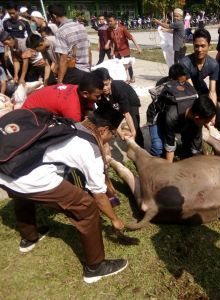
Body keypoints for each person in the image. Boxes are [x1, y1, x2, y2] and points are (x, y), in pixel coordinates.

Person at [0, 104, 128, 283]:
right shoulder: (90, 151)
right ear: (103, 129)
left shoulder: (72, 125)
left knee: (23, 196)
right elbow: (99, 197)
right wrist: (115, 219)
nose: (112, 138)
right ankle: (95, 267)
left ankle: (29, 238)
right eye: (113, 134)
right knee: (87, 207)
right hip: (27, 178)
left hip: (6, 171)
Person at [179, 28, 220, 131]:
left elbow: (212, 92)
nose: (199, 49)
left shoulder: (213, 64)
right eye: (196, 46)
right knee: (192, 121)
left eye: (203, 46)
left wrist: (212, 113)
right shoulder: (184, 63)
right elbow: (191, 91)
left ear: (209, 46)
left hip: (201, 89)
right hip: (186, 91)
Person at [93, 67, 144, 147]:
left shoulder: (118, 89)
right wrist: (119, 132)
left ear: (110, 80)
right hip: (113, 99)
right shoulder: (99, 94)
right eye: (102, 86)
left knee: (135, 125)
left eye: (106, 84)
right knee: (112, 114)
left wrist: (133, 132)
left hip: (130, 99)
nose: (105, 88)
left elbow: (126, 114)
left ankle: (140, 147)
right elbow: (110, 117)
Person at [22, 72, 104, 122]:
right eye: (97, 96)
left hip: (34, 102)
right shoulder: (72, 108)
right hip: (29, 115)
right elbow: (78, 131)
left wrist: (89, 111)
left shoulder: (78, 88)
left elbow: (88, 105)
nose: (100, 98)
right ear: (85, 94)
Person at [48, 3, 91, 84]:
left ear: (54, 16)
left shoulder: (61, 31)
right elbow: (89, 51)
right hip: (86, 71)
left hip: (74, 72)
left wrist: (60, 81)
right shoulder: (81, 27)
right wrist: (90, 70)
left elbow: (63, 58)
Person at [106, 14, 141, 83]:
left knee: (128, 64)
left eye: (111, 21)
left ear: (115, 21)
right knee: (119, 65)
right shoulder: (109, 30)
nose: (109, 23)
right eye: (108, 21)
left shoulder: (122, 28)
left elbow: (131, 38)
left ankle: (131, 77)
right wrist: (111, 51)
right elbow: (111, 41)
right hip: (117, 51)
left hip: (125, 49)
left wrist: (138, 47)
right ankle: (124, 79)